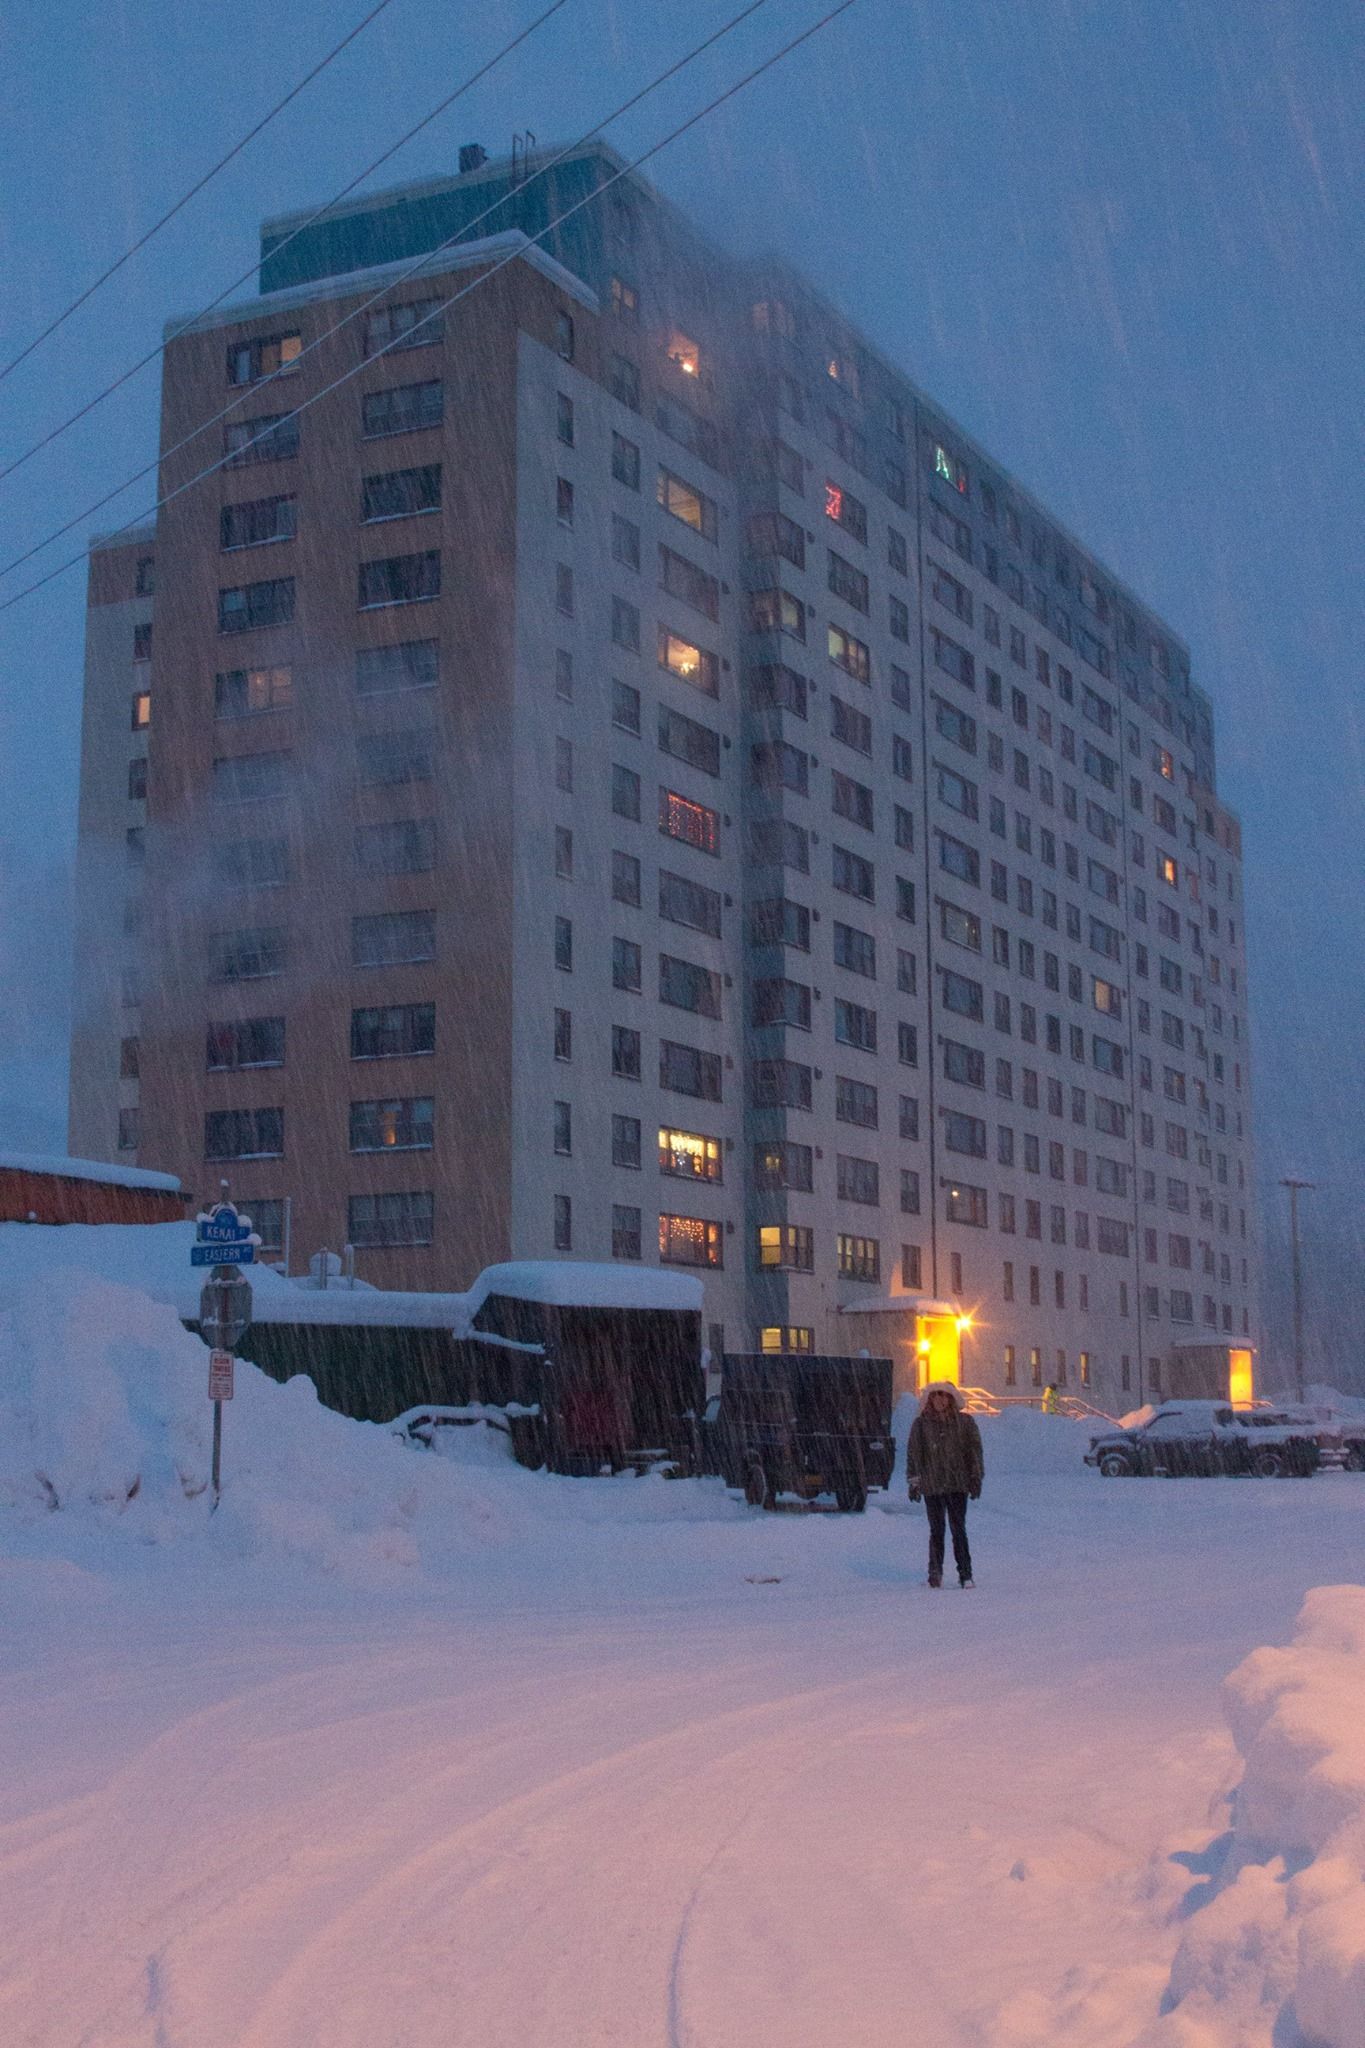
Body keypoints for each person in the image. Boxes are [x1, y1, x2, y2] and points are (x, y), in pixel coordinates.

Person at [906, 1381, 984, 1588]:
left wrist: (975, 1477)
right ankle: (935, 1572)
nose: (940, 1400)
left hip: (957, 1484)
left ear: (951, 1398)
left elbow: (974, 1452)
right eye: (935, 1396)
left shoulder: (965, 1423)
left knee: (958, 1529)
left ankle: (965, 1574)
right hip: (932, 1485)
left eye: (944, 1396)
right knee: (937, 1530)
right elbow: (914, 1454)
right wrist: (914, 1482)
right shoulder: (921, 1425)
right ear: (930, 1399)